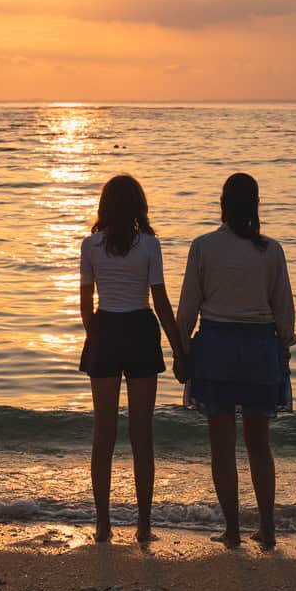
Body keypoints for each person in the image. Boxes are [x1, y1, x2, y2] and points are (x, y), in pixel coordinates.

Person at [176, 172, 296, 548]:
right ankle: (267, 528)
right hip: (260, 349)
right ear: (255, 206)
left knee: (222, 447)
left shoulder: (203, 246)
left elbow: (187, 309)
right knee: (259, 445)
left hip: (216, 350)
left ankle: (231, 530)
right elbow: (284, 312)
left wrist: (181, 352)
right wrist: (284, 348)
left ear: (222, 206)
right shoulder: (271, 250)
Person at [79, 174, 185, 543]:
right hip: (140, 329)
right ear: (140, 206)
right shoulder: (150, 245)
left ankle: (103, 524)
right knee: (142, 435)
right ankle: (143, 526)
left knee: (102, 435)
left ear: (104, 206)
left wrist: (97, 338)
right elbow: (161, 302)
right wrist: (180, 349)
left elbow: (85, 308)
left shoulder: (90, 245)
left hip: (106, 328)